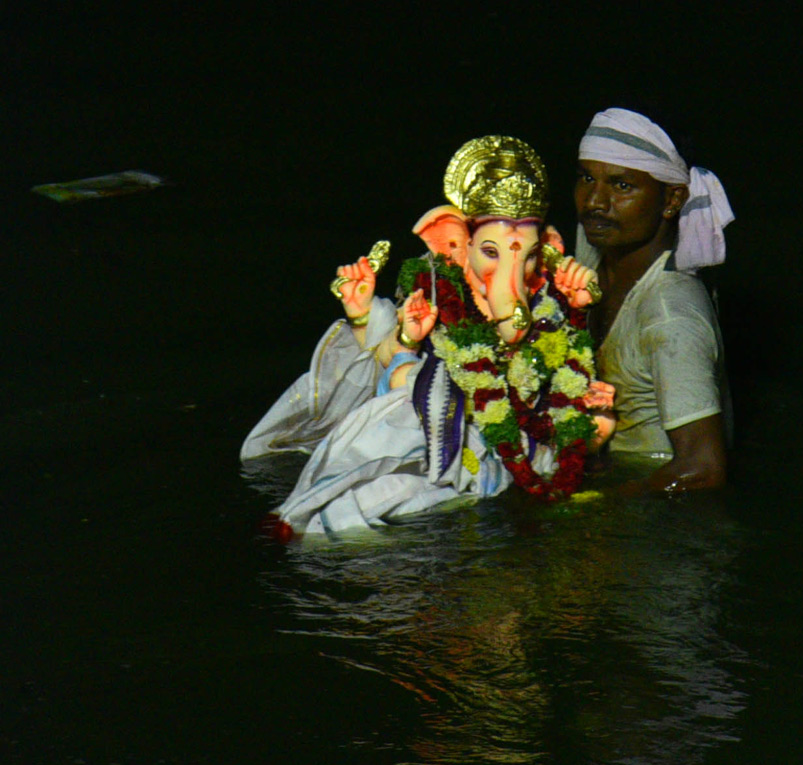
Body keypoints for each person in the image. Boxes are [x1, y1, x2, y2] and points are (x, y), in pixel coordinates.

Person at [242, 135, 613, 539]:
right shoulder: (438, 289)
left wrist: (577, 311)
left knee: (406, 491)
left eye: (525, 255)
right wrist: (388, 328)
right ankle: (302, 514)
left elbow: (556, 377)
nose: (511, 270)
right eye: (491, 253)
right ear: (455, 243)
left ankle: (322, 526)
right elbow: (389, 360)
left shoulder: (547, 298)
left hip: (497, 439)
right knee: (378, 439)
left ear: (546, 250)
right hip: (422, 415)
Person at [573, 108, 735, 494]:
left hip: (646, 508)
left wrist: (590, 506)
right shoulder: (593, 254)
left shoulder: (670, 313)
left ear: (672, 199)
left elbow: (702, 468)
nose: (595, 201)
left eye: (622, 186)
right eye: (586, 178)